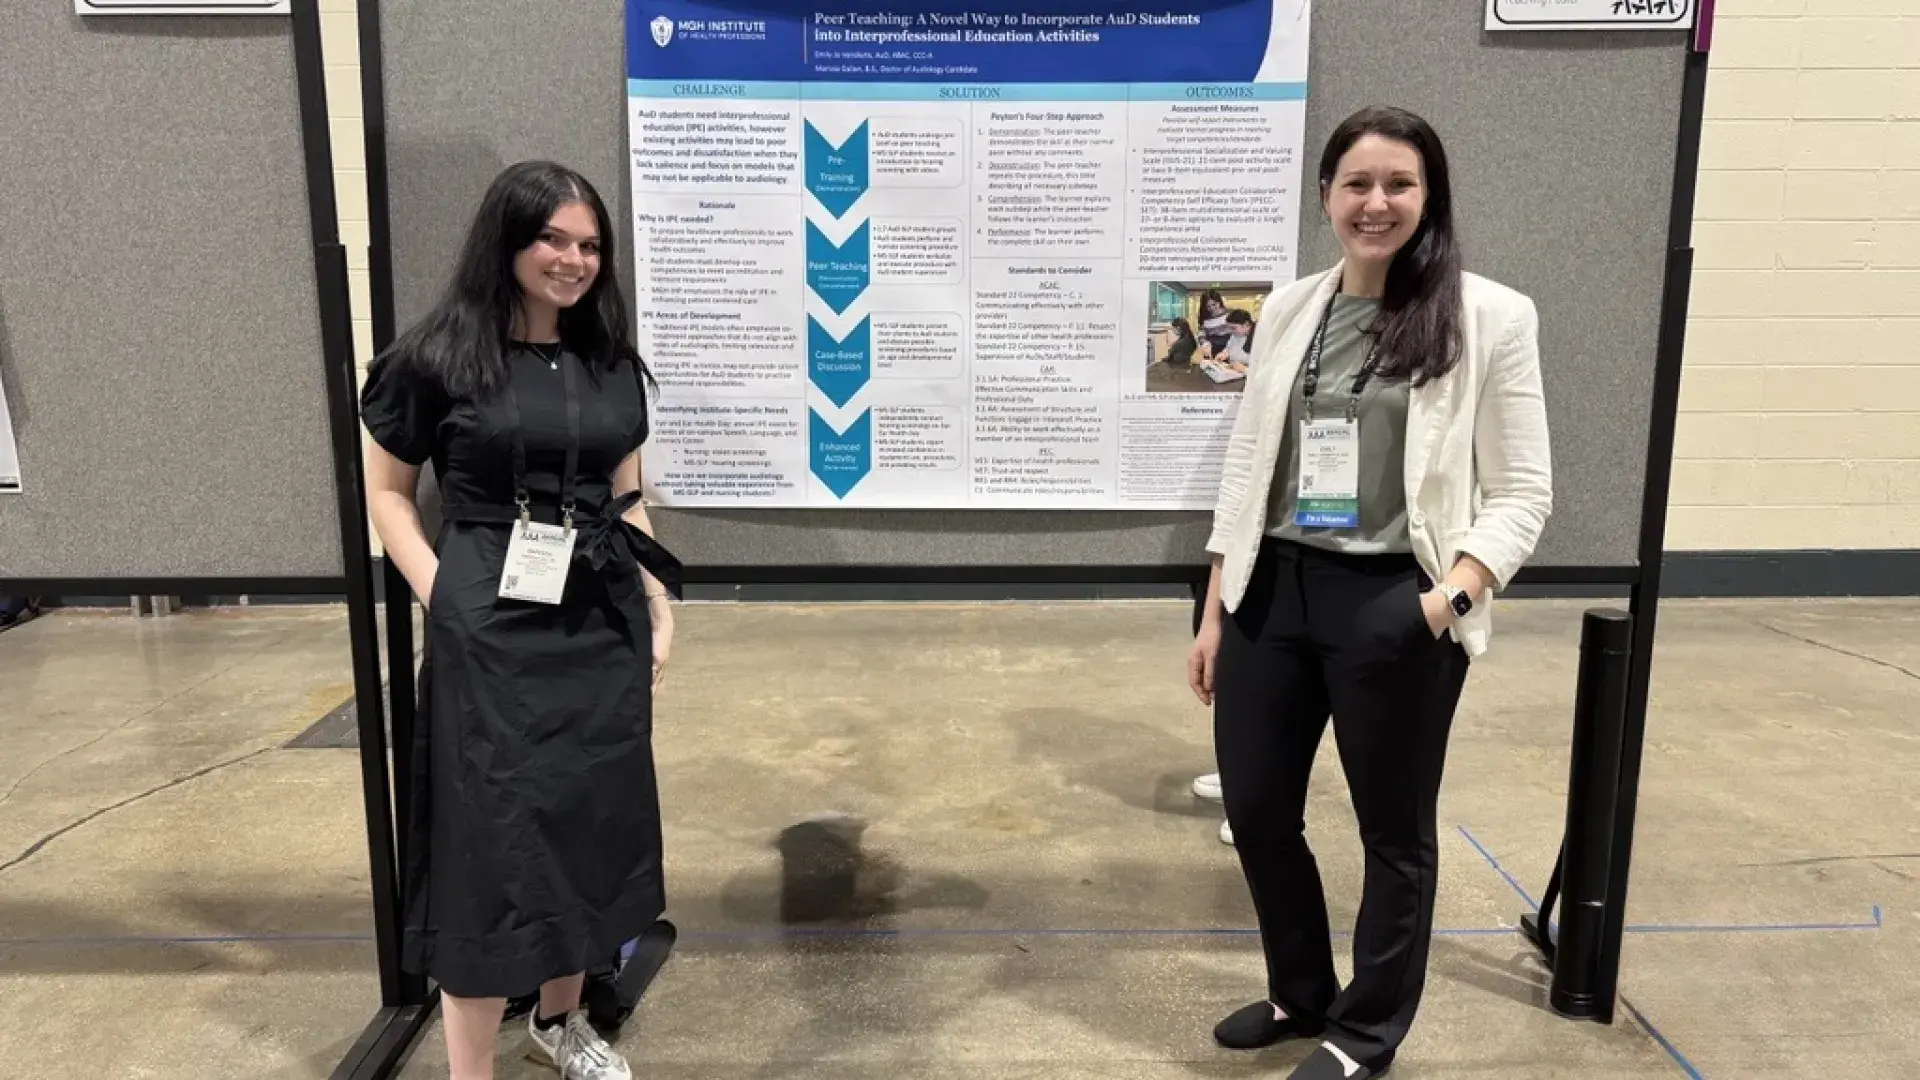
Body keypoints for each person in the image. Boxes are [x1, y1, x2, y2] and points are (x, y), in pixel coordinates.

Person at [1186, 106, 1552, 1080]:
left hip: (1396, 600)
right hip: (1273, 589)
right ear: (1327, 197)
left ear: (1430, 198)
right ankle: (1300, 994)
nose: (1376, 202)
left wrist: (1447, 602)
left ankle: (1365, 1033)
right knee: (1258, 810)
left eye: (1399, 184)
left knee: (1393, 836)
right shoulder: (1290, 310)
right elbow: (1247, 468)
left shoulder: (1491, 317)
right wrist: (1216, 606)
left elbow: (1523, 492)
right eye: (1357, 183)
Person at [360, 160, 684, 1080]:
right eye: (552, 239)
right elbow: (387, 493)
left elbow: (626, 493)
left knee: (586, 825)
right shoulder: (435, 357)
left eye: (589, 245)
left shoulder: (608, 357)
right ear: (507, 239)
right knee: (491, 845)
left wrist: (657, 603)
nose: (573, 260)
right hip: (490, 623)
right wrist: (445, 599)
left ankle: (559, 1021)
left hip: (600, 621)